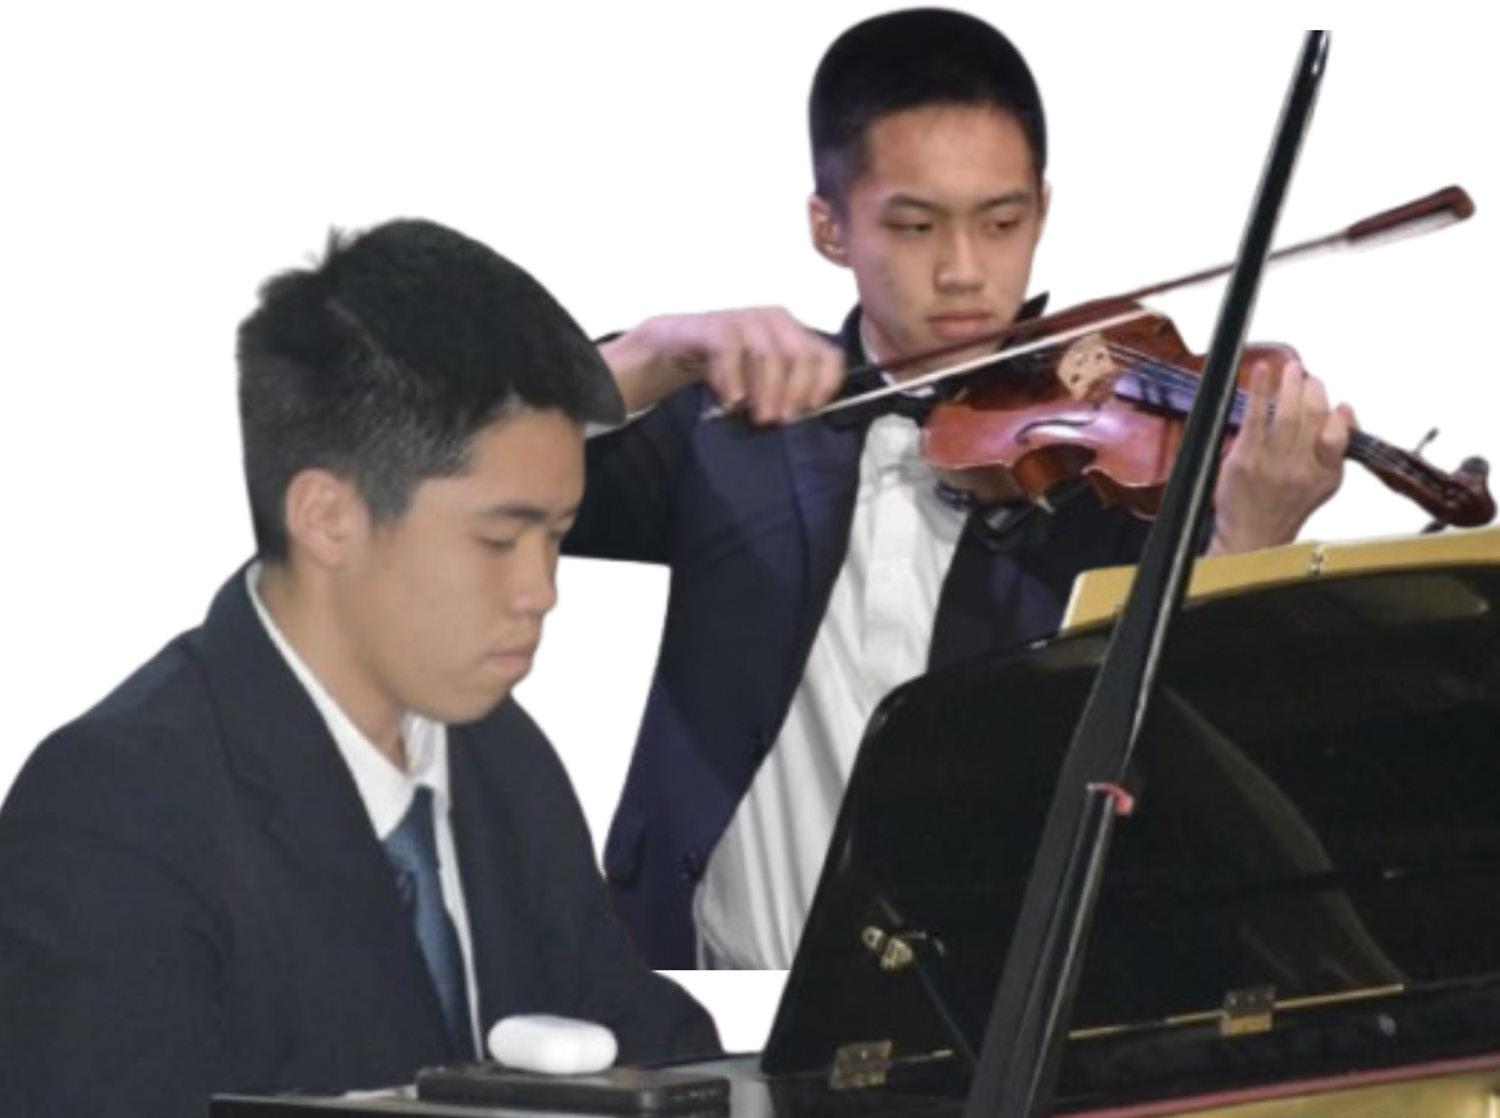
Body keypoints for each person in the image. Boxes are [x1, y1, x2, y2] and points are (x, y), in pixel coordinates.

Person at [569, 9, 1354, 969]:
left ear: (1042, 210)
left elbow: (1189, 788)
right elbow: (468, 464)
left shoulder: (1112, 468)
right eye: (914, 226)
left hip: (978, 1012)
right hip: (701, 989)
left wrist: (1246, 543)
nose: (964, 272)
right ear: (829, 227)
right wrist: (650, 353)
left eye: (1002, 223)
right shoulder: (731, 415)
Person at [0, 220, 718, 1115]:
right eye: (500, 539)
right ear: (327, 517)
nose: (542, 591)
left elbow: (646, 1040)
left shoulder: (500, 755)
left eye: (559, 537)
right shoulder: (113, 813)